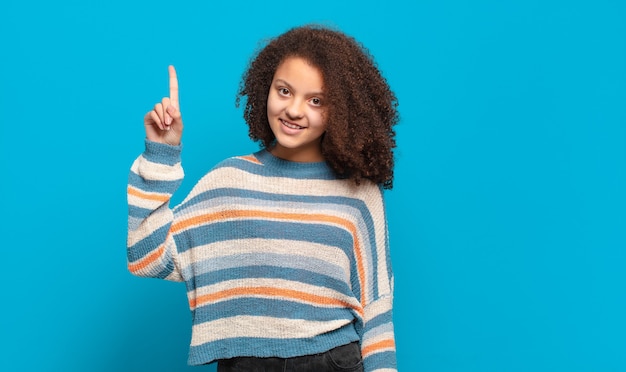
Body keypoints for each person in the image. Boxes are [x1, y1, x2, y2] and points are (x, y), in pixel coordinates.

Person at [127, 24, 399, 372]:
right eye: (284, 91)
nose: (295, 110)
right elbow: (146, 256)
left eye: (316, 100)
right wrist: (161, 153)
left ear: (341, 110)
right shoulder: (229, 181)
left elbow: (376, 306)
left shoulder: (360, 194)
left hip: (331, 360)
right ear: (266, 87)